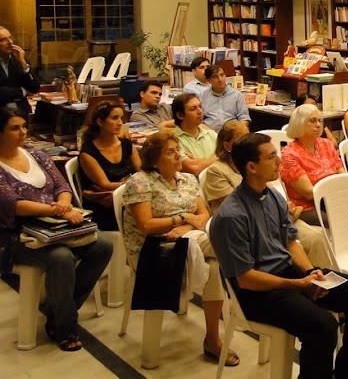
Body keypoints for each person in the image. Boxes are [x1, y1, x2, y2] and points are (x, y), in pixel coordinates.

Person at [209, 132, 348, 379]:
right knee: (323, 326)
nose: (279, 160)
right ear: (252, 167)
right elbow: (245, 279)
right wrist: (299, 285)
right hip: (258, 293)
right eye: (271, 157)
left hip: (290, 275)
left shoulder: (273, 197)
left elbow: (291, 241)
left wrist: (310, 272)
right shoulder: (230, 216)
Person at [0, 108, 112, 352]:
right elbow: (13, 205)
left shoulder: (36, 154)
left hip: (57, 226)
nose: (23, 132)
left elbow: (62, 186)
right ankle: (64, 327)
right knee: (61, 257)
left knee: (103, 246)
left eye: (24, 126)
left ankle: (55, 311)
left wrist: (63, 204)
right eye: (14, 128)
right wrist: (57, 211)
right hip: (17, 236)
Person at [123, 131, 237, 366]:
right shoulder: (140, 181)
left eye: (178, 150)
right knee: (227, 243)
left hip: (187, 238)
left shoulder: (187, 179)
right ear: (155, 160)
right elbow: (146, 225)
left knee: (215, 265)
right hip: (153, 249)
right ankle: (253, 287)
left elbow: (204, 215)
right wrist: (183, 219)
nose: (178, 156)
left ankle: (212, 339)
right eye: (170, 152)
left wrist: (186, 226)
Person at [201, 120, 332, 268]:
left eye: (249, 135)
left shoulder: (262, 170)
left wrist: (286, 206)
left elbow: (268, 196)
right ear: (227, 146)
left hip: (276, 218)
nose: (248, 141)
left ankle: (319, 277)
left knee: (317, 238)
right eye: (242, 138)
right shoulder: (217, 172)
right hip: (251, 227)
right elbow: (242, 208)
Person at [280, 104, 348, 244]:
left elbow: (341, 173)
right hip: (308, 206)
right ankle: (343, 254)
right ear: (299, 123)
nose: (318, 125)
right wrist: (345, 194)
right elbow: (308, 192)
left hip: (335, 199)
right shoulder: (289, 154)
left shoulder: (325, 144)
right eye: (312, 121)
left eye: (320, 120)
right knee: (344, 221)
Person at [79, 101, 141, 230]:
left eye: (121, 118)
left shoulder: (126, 144)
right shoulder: (88, 152)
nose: (120, 123)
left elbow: (141, 171)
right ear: (100, 122)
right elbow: (105, 184)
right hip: (105, 207)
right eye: (114, 118)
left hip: (128, 196)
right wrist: (131, 184)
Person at [172, 93, 218, 176]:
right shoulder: (173, 140)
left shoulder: (212, 134)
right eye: (193, 109)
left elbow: (231, 160)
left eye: (200, 106)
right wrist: (221, 159)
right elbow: (194, 168)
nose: (200, 111)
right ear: (180, 115)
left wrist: (198, 162)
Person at [0, 26, 40, 114]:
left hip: (21, 112)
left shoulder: (18, 59)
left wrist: (24, 65)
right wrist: (22, 91)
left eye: (10, 38)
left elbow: (35, 88)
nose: (10, 42)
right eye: (3, 40)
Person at [199, 64, 250, 131]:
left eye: (222, 75)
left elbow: (244, 119)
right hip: (209, 132)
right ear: (209, 80)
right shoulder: (202, 96)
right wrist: (209, 133)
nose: (220, 79)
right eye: (215, 77)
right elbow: (198, 120)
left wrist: (237, 131)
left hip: (231, 133)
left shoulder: (236, 95)